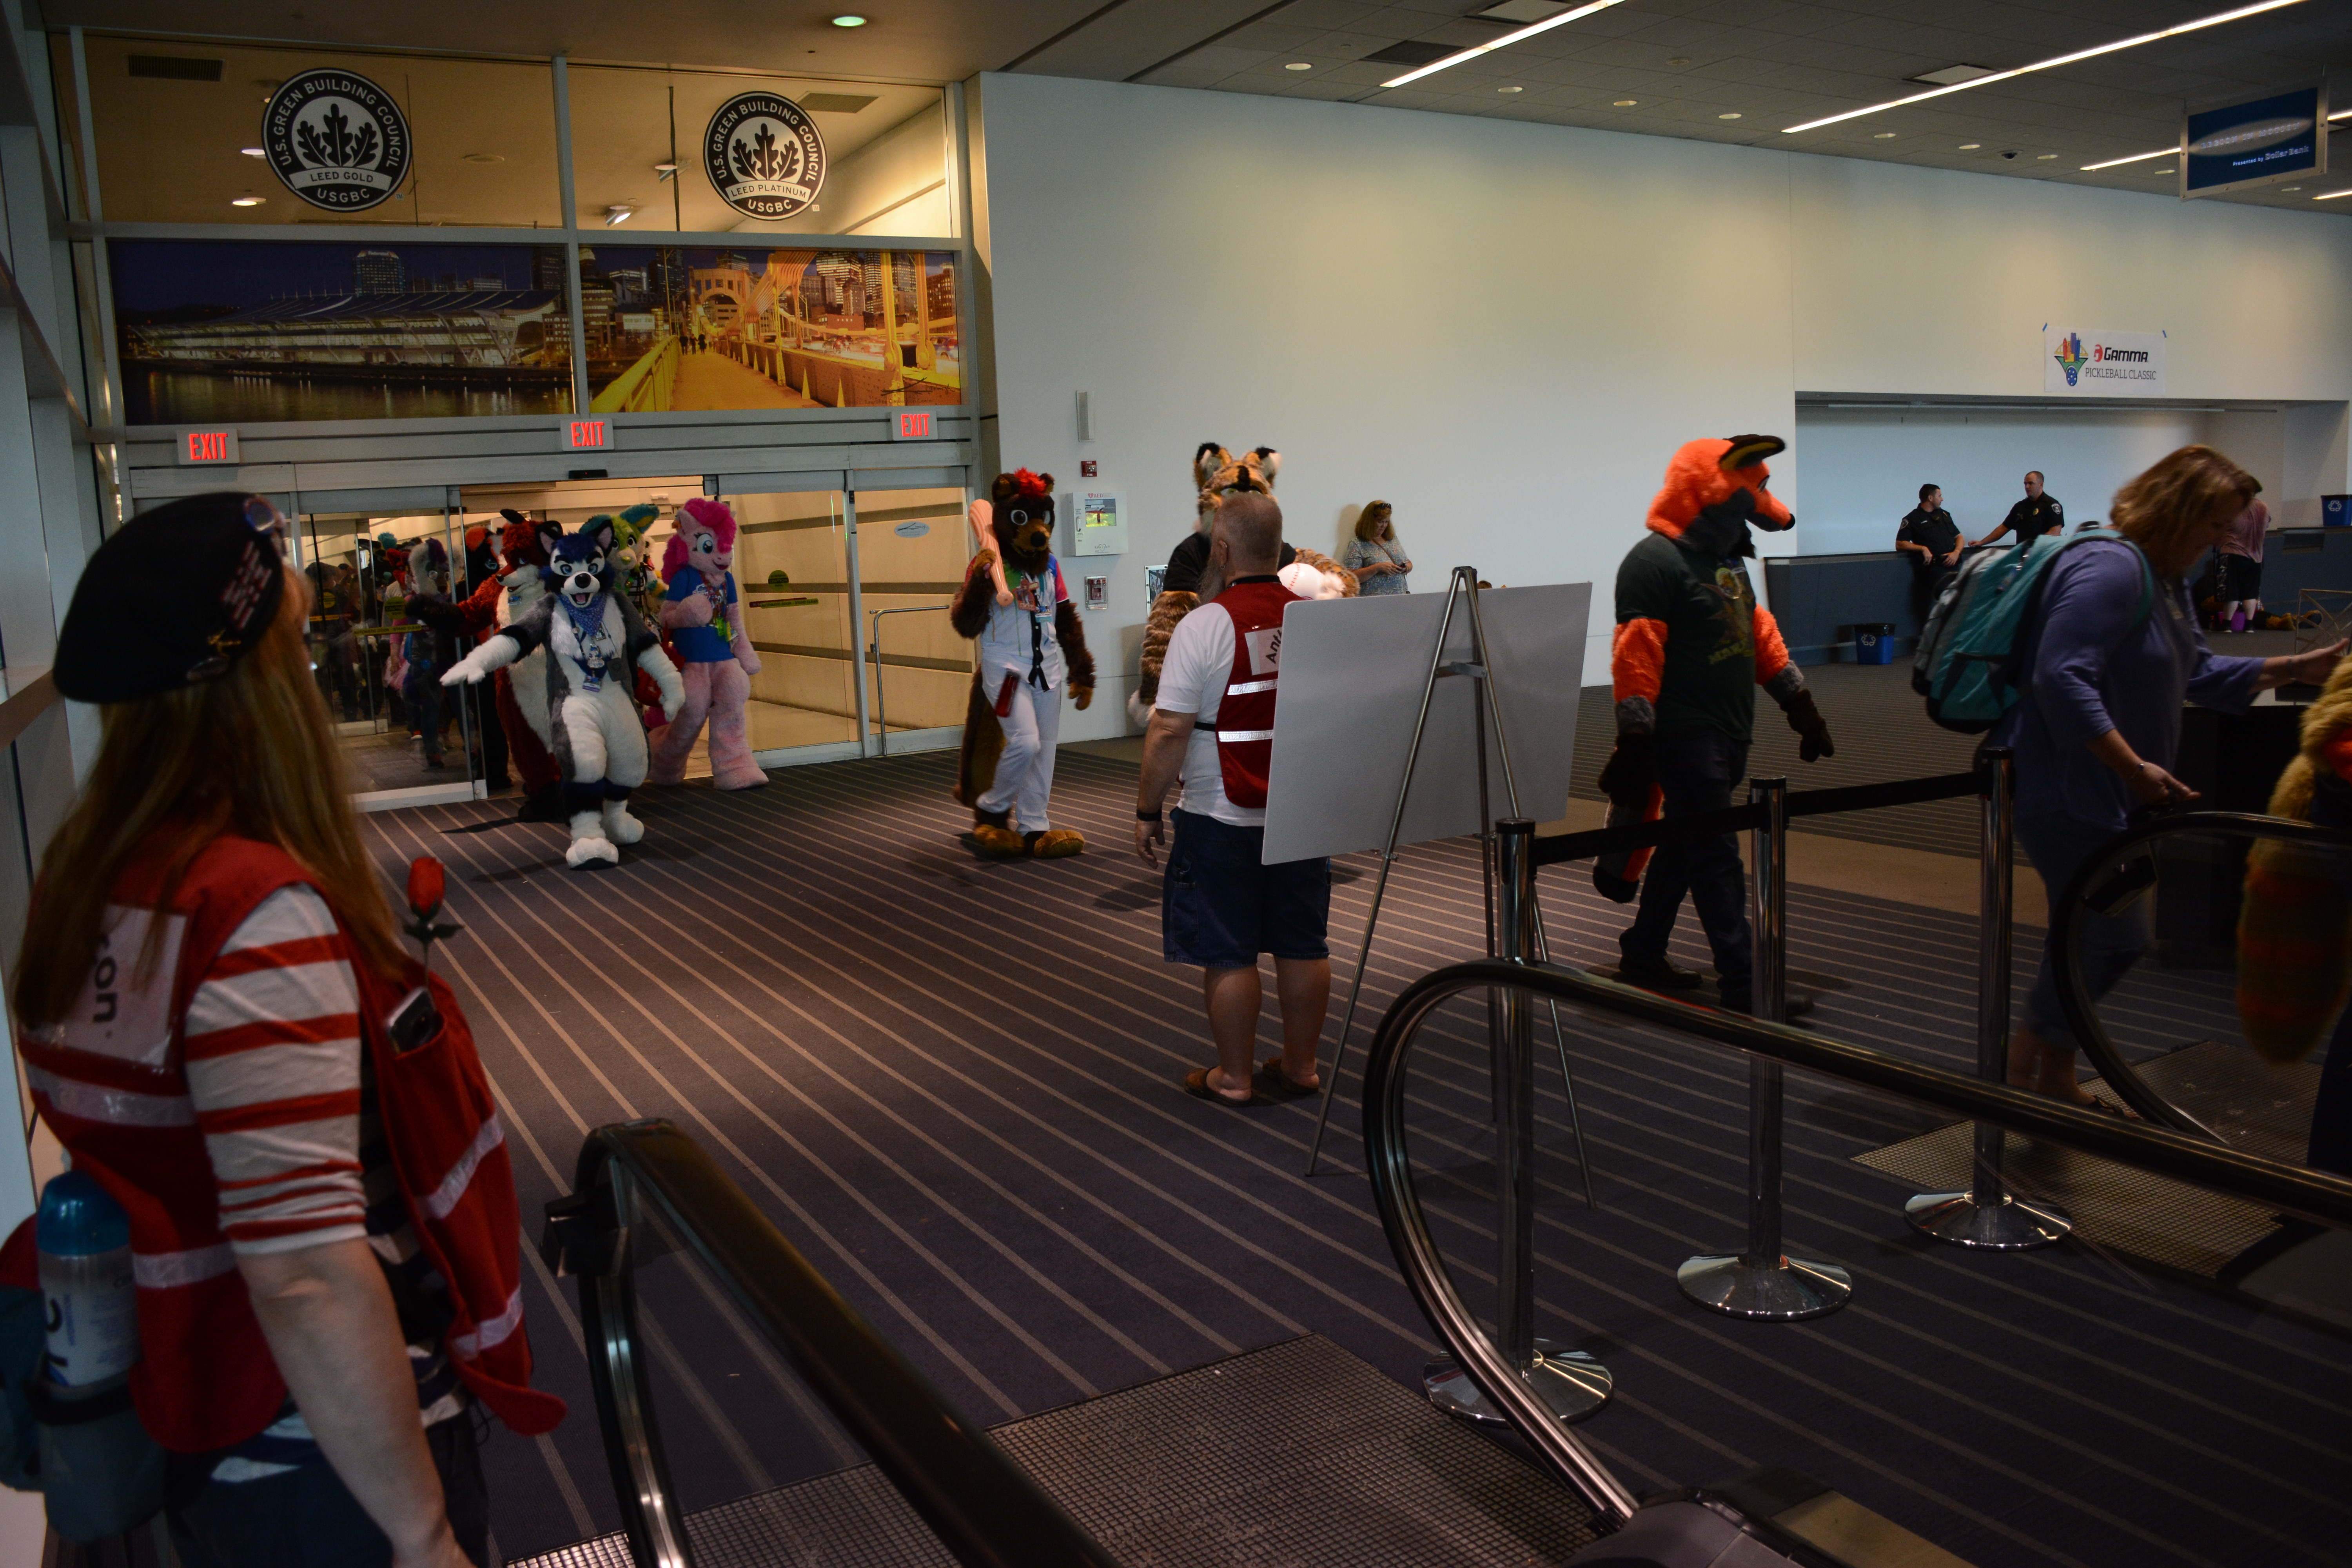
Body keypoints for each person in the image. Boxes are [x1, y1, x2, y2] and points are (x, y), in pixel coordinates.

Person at [12, 492, 560, 1567]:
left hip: (195, 1417)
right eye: (293, 645)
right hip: (315, 1461)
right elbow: (303, 1271)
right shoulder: (249, 909)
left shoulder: (87, 882)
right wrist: (423, 1535)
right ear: (259, 681)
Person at [1994, 448, 2344, 1105]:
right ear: (2177, 511)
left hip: (2112, 794)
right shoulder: (2111, 568)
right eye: (2215, 524)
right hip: (2070, 790)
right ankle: (2020, 1068)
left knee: (2081, 928)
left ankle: (2053, 1076)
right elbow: (2060, 676)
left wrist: (2298, 669)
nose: (2223, 539)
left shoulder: (2167, 576)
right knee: (2113, 937)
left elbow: (2198, 672)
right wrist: (2131, 767)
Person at [1601, 436, 1837, 1012]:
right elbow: (1637, 653)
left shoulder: (1727, 559)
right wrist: (1636, 737)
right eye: (1751, 491)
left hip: (1730, 731)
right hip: (1686, 736)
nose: (1764, 506)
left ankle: (1644, 949)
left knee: (1686, 846)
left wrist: (1800, 704)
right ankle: (1745, 983)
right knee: (1716, 856)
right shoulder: (1653, 562)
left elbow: (1756, 633)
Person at [1135, 492, 1332, 1105]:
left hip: (1221, 814)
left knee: (1229, 951)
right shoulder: (1314, 620)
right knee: (1303, 943)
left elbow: (1169, 729)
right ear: (1280, 548)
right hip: (1301, 812)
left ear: (1221, 550)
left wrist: (1147, 809)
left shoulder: (1204, 625)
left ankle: (1235, 1078)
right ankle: (1301, 1067)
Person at [1895, 483, 1962, 626]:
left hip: (1954, 565)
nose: (1942, 499)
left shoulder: (1944, 515)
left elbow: (1959, 537)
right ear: (1931, 498)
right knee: (1949, 604)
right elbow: (1900, 544)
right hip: (1935, 570)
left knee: (1962, 602)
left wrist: (1956, 552)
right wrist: (1922, 548)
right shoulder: (1913, 519)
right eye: (1940, 496)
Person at [2216, 495, 2269, 633]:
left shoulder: (2234, 506)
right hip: (2256, 557)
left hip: (2232, 553)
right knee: (2251, 593)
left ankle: (2227, 624)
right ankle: (2249, 625)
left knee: (2231, 591)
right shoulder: (2264, 507)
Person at [1972, 470, 2064, 546]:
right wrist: (1982, 543)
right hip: (2023, 555)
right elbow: (2003, 528)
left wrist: (2034, 546)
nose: (2027, 487)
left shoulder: (2051, 505)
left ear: (2041, 485)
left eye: (2031, 483)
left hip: (2042, 555)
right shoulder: (2020, 507)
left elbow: (2055, 533)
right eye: (2025, 484)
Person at [1341, 501, 1412, 595]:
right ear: (1369, 522)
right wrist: (1377, 568)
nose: (1384, 526)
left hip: (1400, 599)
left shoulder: (1392, 539)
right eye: (1380, 522)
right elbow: (1350, 578)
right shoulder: (1357, 544)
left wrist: (1406, 568)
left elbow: (1408, 562)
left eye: (1386, 522)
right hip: (1374, 602)